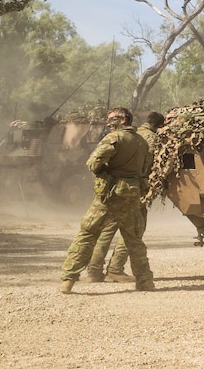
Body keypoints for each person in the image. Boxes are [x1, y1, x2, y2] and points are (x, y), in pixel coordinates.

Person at [59, 107, 155, 294]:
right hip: (131, 196)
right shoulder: (142, 142)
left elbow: (93, 163)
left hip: (108, 196)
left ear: (122, 120)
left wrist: (103, 174)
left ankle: (68, 279)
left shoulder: (114, 138)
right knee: (134, 240)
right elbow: (144, 169)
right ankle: (145, 282)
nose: (108, 122)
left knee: (87, 234)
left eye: (111, 118)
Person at [83, 110, 163, 283]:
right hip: (133, 190)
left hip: (111, 189)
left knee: (107, 229)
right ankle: (116, 269)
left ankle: (94, 271)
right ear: (159, 125)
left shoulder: (129, 134)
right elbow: (148, 166)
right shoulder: (149, 139)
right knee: (133, 231)